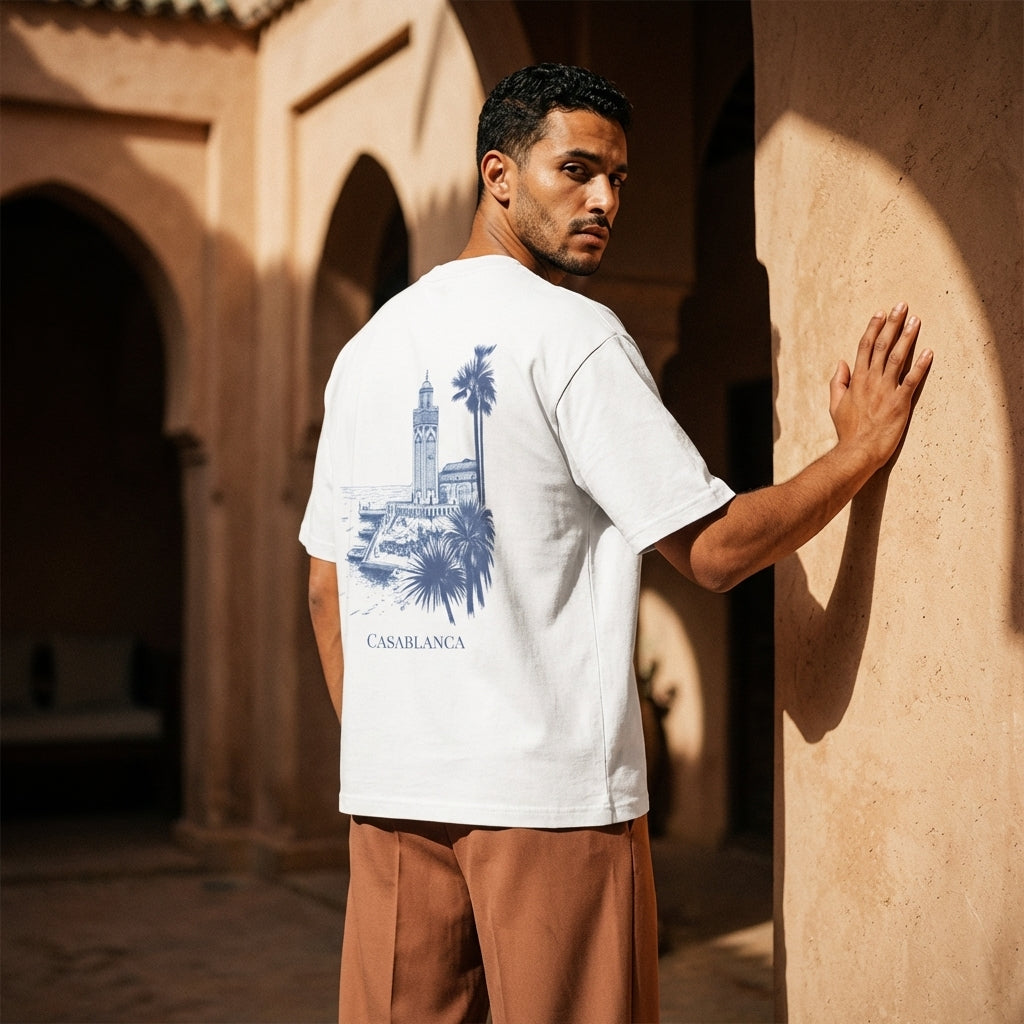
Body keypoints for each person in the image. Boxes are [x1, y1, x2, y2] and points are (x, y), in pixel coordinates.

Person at [300, 63, 931, 1024]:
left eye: (619, 178)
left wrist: (397, 742)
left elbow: (325, 587)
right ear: (498, 173)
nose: (605, 200)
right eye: (578, 170)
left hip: (391, 802)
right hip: (548, 803)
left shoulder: (368, 349)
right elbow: (714, 551)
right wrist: (859, 451)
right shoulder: (571, 335)